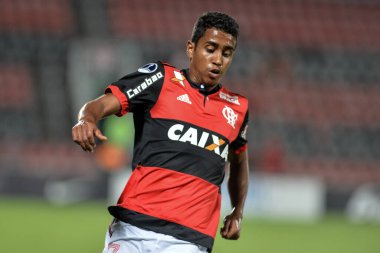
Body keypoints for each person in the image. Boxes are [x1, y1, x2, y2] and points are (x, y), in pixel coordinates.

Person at [72, 11, 249, 253]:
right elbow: (99, 105)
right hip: (133, 228)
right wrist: (86, 119)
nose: (218, 59)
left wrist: (237, 212)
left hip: (189, 239)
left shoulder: (237, 108)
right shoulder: (161, 79)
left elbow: (239, 163)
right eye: (210, 49)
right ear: (191, 49)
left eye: (226, 53)